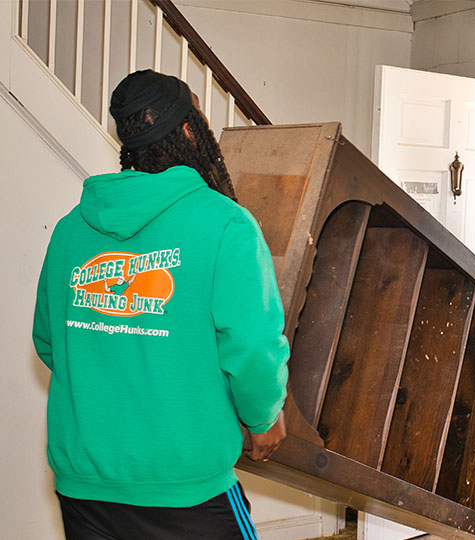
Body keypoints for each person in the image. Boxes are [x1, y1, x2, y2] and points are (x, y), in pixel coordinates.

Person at [32, 69, 290, 539]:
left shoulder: (71, 229)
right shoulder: (225, 224)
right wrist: (263, 417)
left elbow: (51, 343)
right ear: (190, 131)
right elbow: (253, 345)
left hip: (84, 485)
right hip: (185, 487)